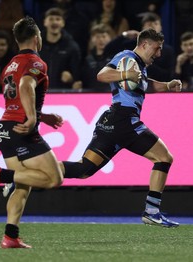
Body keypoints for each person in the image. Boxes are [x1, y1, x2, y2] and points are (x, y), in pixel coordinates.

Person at [62, 28, 182, 227]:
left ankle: (18, 175)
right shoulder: (126, 57)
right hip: (124, 120)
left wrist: (167, 85)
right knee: (164, 158)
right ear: (144, 44)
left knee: (84, 170)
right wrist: (126, 74)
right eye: (157, 48)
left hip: (112, 123)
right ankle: (152, 211)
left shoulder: (139, 67)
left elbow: (145, 84)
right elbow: (102, 75)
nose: (159, 54)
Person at [0, 16, 64, 248]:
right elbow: (26, 85)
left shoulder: (10, 64)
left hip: (5, 129)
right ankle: (0, 175)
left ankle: (10, 235)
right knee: (55, 178)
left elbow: (14, 98)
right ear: (37, 37)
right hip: (21, 129)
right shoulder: (36, 61)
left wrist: (43, 116)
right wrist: (34, 117)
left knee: (23, 185)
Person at [105, 12, 174, 85]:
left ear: (161, 27)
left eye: (156, 24)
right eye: (149, 24)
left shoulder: (168, 50)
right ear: (143, 28)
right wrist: (124, 35)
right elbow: (108, 50)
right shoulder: (133, 46)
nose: (153, 27)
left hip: (159, 91)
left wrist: (146, 64)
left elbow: (169, 75)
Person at [39, 7, 82, 90]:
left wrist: (71, 79)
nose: (54, 22)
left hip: (62, 94)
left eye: (58, 19)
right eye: (51, 19)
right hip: (39, 94)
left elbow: (77, 78)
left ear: (63, 23)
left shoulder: (72, 47)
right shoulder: (36, 46)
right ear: (45, 22)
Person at [80, 23, 113, 92]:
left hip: (111, 95)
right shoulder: (87, 60)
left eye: (104, 36)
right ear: (92, 39)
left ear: (110, 38)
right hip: (92, 96)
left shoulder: (115, 58)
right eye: (98, 37)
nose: (101, 40)